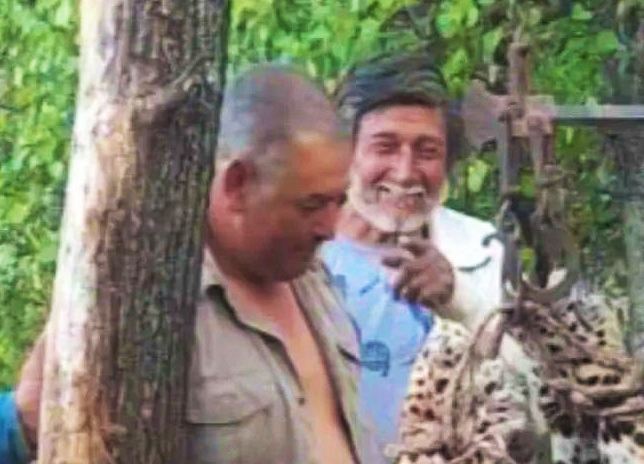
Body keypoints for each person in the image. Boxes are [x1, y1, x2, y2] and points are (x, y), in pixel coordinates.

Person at [0, 64, 385, 464]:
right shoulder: (145, 296)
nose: (330, 228)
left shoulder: (311, 276)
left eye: (339, 201)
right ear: (237, 184)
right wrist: (23, 425)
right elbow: (40, 418)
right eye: (311, 205)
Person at [320, 51, 506, 453]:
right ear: (346, 153)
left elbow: (537, 396)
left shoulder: (482, 250)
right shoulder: (302, 250)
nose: (405, 172)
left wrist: (460, 299)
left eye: (427, 151)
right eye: (384, 147)